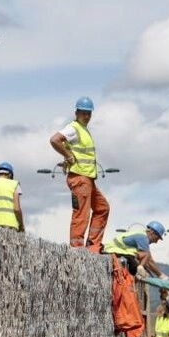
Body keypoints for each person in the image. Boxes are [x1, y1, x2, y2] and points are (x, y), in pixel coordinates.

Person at [49, 96, 110, 253]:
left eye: (89, 113)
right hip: (80, 178)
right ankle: (76, 248)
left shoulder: (83, 130)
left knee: (102, 208)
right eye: (84, 113)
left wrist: (67, 156)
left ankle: (93, 246)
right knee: (81, 213)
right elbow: (55, 140)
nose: (87, 116)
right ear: (77, 112)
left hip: (87, 179)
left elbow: (72, 148)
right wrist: (68, 156)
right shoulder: (73, 128)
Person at [103, 221, 168, 278]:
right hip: (113, 251)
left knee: (141, 265)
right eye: (157, 238)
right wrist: (161, 275)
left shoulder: (140, 234)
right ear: (153, 233)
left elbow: (147, 259)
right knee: (138, 271)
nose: (156, 242)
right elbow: (149, 260)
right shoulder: (143, 238)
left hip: (115, 251)